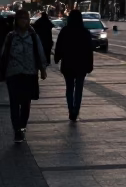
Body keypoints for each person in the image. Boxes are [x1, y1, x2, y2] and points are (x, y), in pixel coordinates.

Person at [0, 9, 48, 142]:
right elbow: (3, 54)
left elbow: (40, 52)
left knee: (26, 103)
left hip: (29, 73)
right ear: (16, 21)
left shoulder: (33, 36)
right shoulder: (10, 36)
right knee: (14, 103)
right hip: (13, 74)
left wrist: (42, 69)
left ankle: (22, 126)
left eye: (25, 19)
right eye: (21, 18)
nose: (23, 21)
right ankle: (17, 130)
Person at [53, 9, 93, 122]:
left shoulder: (65, 31)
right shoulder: (85, 32)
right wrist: (90, 65)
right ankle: (76, 110)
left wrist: (57, 58)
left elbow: (59, 46)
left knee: (69, 88)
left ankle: (71, 110)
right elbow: (89, 51)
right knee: (79, 89)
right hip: (81, 65)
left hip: (68, 64)